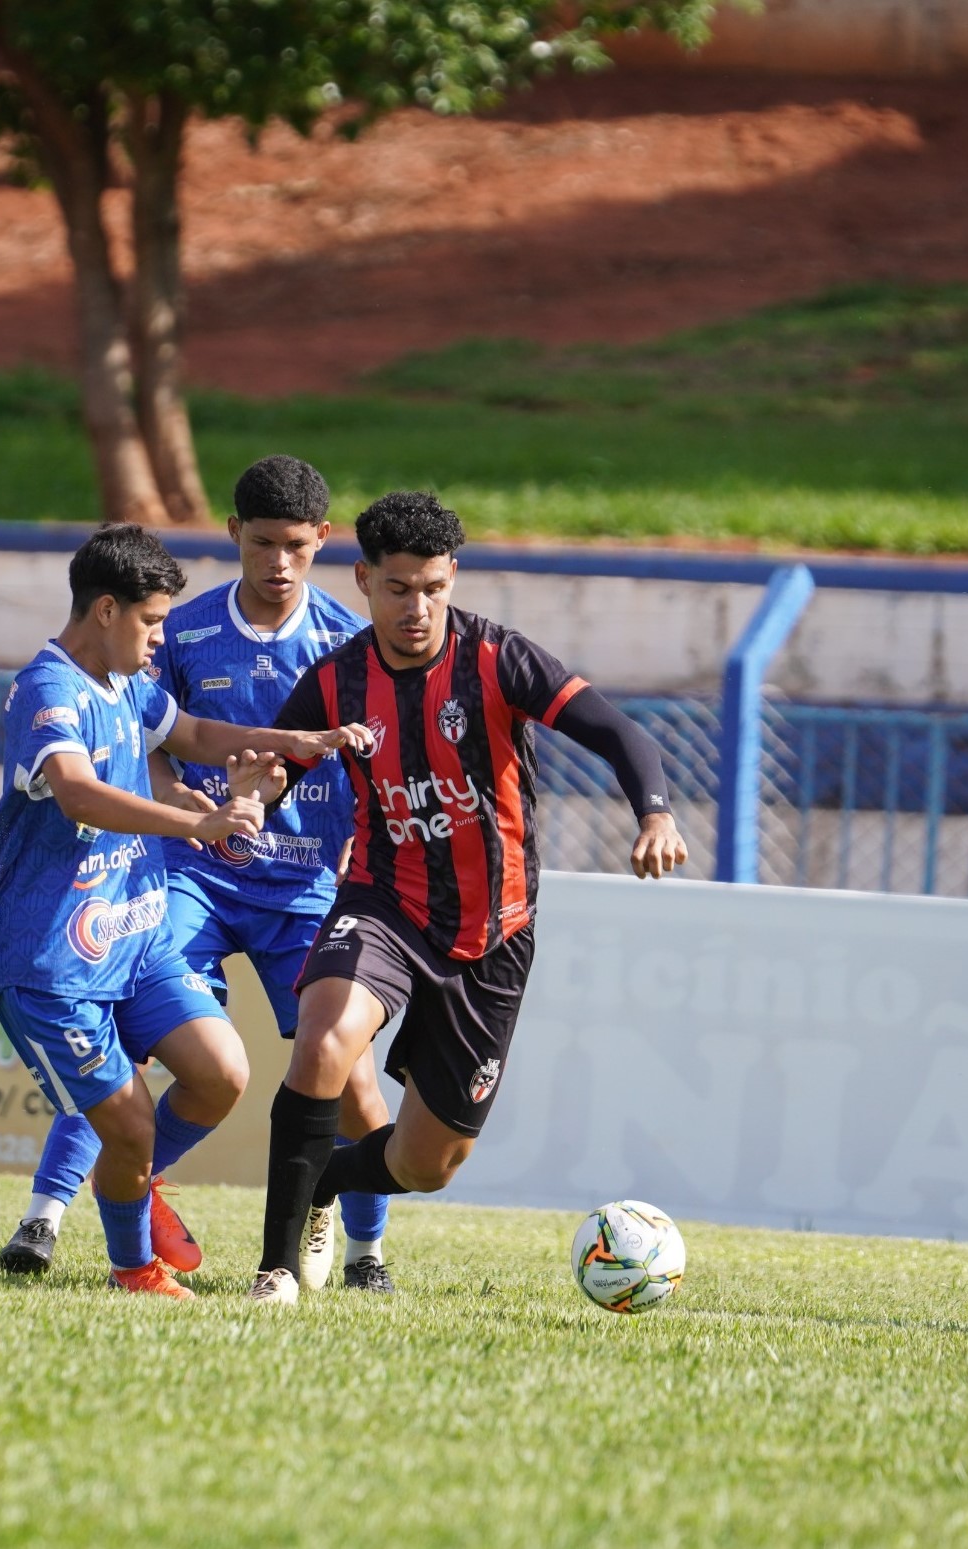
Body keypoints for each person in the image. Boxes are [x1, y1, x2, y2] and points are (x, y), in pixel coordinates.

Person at [248, 491, 690, 1304]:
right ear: (364, 581)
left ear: (453, 577)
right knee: (322, 1043)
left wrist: (654, 813)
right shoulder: (338, 680)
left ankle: (322, 1184)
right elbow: (282, 767)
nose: (416, 608)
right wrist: (256, 790)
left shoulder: (497, 660)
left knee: (426, 1163)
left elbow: (621, 735)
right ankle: (275, 1269)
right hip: (383, 902)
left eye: (432, 588)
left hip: (494, 933)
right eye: (397, 589)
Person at [0, 457, 400, 1291]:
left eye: (296, 545)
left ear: (322, 541)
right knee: (140, 1055)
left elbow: (199, 733)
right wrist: (204, 821)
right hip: (194, 877)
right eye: (263, 543)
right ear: (235, 536)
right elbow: (154, 761)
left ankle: (365, 1254)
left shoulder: (345, 646)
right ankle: (48, 1214)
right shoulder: (170, 634)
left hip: (303, 888)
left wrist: (306, 755)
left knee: (349, 1071)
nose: (279, 561)